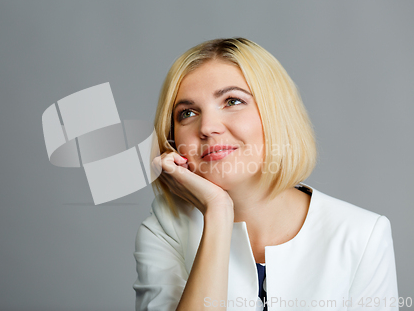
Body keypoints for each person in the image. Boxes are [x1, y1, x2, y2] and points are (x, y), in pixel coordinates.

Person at [133, 38, 398, 311]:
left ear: (276, 113)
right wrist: (217, 211)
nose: (208, 127)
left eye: (232, 101)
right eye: (187, 113)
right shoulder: (167, 227)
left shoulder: (362, 235)